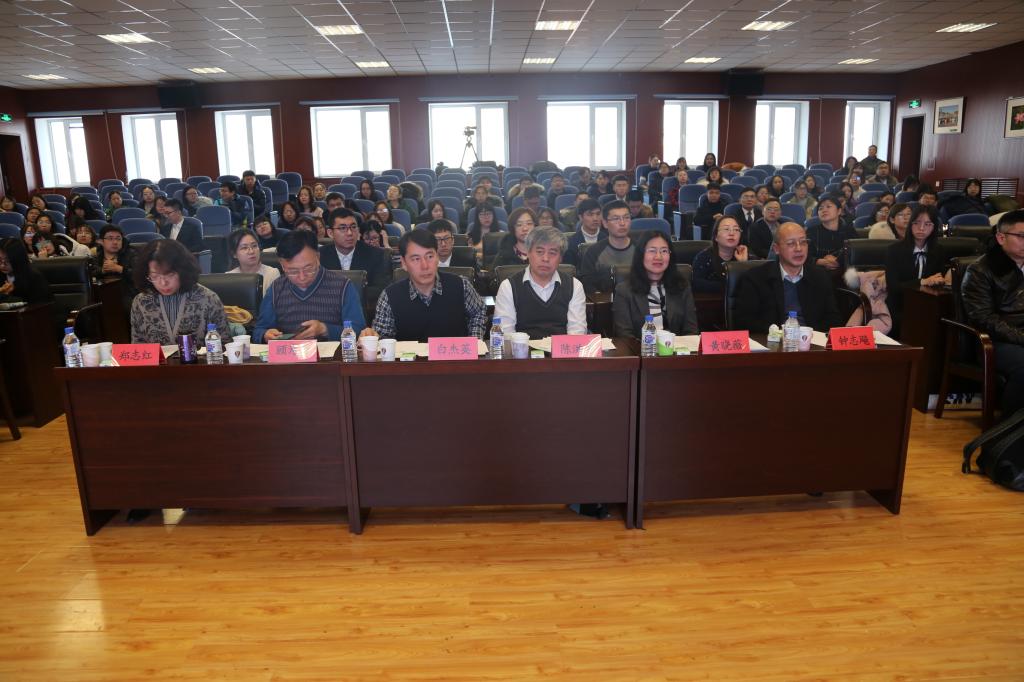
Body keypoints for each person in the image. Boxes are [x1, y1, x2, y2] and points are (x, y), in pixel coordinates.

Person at [365, 229, 486, 341]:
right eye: (416, 259)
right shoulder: (389, 297)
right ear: (404, 263)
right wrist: (371, 338)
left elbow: (479, 312)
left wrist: (474, 342)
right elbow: (382, 338)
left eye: (429, 256)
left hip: (455, 356)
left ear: (437, 257)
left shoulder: (461, 286)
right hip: (410, 358)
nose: (425, 266)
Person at [962, 210, 1024, 419]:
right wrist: (1021, 337)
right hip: (995, 341)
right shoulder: (980, 270)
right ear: (1001, 238)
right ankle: (1010, 430)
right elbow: (984, 318)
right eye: (1021, 236)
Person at [252, 229, 365, 343]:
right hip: (289, 353)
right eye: (293, 271)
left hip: (332, 354)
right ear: (282, 265)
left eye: (308, 268)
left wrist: (325, 329)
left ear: (318, 257)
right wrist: (265, 335)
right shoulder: (276, 288)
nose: (302, 277)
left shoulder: (343, 287)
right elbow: (258, 330)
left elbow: (359, 331)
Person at [733, 223, 843, 333]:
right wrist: (781, 334)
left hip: (812, 340)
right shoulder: (755, 278)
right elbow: (744, 322)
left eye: (803, 242)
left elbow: (833, 318)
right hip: (772, 340)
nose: (799, 248)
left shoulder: (820, 276)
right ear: (776, 249)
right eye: (791, 243)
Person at [129, 239, 230, 345]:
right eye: (155, 276)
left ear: (183, 271)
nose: (163, 283)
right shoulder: (141, 302)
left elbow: (225, 344)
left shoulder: (208, 299)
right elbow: (137, 345)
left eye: (170, 274)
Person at [493, 226, 586, 338]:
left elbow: (577, 334)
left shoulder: (574, 286)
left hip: (561, 348)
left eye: (552, 253)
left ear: (561, 258)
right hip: (522, 348)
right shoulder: (508, 287)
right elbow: (505, 335)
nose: (545, 258)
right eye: (539, 252)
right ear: (528, 253)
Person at [613, 230, 698, 339]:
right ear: (641, 254)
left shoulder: (682, 287)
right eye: (652, 251)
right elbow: (625, 336)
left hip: (676, 348)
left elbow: (691, 332)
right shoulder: (624, 291)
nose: (658, 256)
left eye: (664, 251)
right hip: (639, 348)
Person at [884, 205, 950, 331]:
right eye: (916, 223)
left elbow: (937, 282)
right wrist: (922, 282)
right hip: (900, 305)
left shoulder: (939, 250)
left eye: (927, 224)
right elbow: (893, 287)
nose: (921, 228)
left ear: (934, 227)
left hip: (928, 305)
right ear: (910, 224)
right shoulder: (894, 250)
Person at [318, 207, 391, 306]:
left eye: (353, 227)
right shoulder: (319, 256)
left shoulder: (377, 255)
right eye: (343, 228)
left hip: (364, 310)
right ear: (330, 233)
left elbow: (381, 290)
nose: (349, 233)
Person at [579, 200, 634, 295]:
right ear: (604, 223)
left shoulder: (642, 249)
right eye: (616, 219)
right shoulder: (593, 252)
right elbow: (588, 286)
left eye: (626, 217)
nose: (622, 223)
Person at [692, 215, 749, 294]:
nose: (732, 233)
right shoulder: (703, 258)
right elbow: (697, 284)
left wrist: (743, 264)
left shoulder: (746, 256)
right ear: (716, 236)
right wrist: (732, 286)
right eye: (726, 229)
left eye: (736, 229)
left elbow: (751, 285)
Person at [805, 195, 857, 273]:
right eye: (820, 208)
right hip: (819, 272)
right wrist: (820, 261)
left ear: (839, 211)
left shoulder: (849, 230)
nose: (824, 210)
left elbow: (856, 252)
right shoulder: (811, 231)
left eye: (828, 206)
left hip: (845, 271)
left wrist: (839, 260)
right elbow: (805, 255)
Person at [226, 228, 279, 295]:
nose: (251, 251)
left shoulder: (272, 273)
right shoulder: (229, 277)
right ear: (234, 254)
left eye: (254, 246)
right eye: (244, 248)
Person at [0, 238, 54, 305]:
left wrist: (8, 296)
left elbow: (42, 304)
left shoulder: (33, 277)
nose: (2, 265)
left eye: (8, 261)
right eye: (0, 260)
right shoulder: (1, 274)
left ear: (18, 258)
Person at [564, 199, 606, 267]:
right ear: (581, 217)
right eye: (590, 214)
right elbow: (570, 270)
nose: (595, 218)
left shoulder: (607, 239)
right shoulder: (571, 243)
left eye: (598, 214)